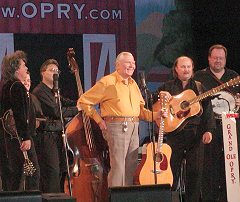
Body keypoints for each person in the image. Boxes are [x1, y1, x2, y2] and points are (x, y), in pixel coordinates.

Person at [78, 51, 165, 187]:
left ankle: (126, 197)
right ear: (117, 65)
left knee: (131, 165)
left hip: (133, 127)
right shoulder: (108, 82)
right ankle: (116, 197)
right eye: (128, 62)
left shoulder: (134, 84)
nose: (132, 65)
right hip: (116, 127)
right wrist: (99, 120)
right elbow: (83, 101)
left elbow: (141, 112)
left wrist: (156, 115)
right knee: (118, 166)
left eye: (133, 63)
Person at [153, 56, 216, 202]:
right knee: (171, 171)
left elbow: (208, 110)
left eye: (188, 67)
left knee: (195, 173)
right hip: (174, 136)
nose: (186, 69)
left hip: (196, 135)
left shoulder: (199, 87)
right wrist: (161, 95)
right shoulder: (167, 86)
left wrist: (209, 130)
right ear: (176, 69)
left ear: (192, 68)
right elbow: (154, 102)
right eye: (182, 67)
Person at [194, 44, 240, 202]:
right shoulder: (199, 77)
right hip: (208, 128)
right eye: (215, 58)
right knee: (208, 165)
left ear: (225, 59)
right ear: (209, 58)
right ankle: (208, 198)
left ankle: (230, 197)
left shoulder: (234, 76)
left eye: (221, 58)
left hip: (231, 129)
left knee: (231, 165)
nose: (218, 61)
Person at [32, 59, 78, 193]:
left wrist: (83, 100)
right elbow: (56, 110)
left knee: (60, 171)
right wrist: (78, 108)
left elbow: (66, 102)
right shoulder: (40, 91)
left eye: (57, 71)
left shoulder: (55, 91)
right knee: (52, 172)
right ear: (43, 73)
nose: (55, 73)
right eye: (52, 70)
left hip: (57, 137)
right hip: (47, 137)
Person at [0, 50, 40, 191]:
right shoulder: (17, 87)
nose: (26, 68)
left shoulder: (6, 86)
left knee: (15, 175)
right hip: (20, 140)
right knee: (32, 173)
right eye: (23, 66)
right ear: (16, 69)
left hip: (10, 139)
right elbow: (20, 115)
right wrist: (25, 137)